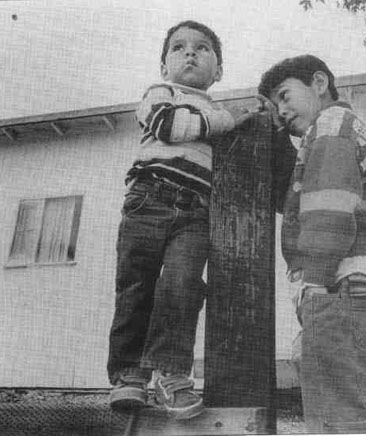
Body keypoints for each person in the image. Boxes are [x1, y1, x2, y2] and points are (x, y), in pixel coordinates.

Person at [106, 20, 255, 420]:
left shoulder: (219, 109)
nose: (190, 53)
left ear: (218, 71)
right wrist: (224, 121)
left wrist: (246, 115)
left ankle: (172, 375)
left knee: (183, 284)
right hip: (147, 199)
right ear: (164, 65)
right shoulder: (161, 93)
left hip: (195, 211)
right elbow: (169, 126)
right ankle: (130, 375)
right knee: (136, 285)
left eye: (203, 48)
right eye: (179, 47)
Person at [258, 54, 366, 434]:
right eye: (275, 105)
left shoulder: (330, 125)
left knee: (351, 416)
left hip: (340, 282)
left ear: (319, 83)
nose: (281, 110)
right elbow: (295, 201)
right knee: (361, 404)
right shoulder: (331, 131)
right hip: (354, 284)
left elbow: (329, 207)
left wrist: (316, 280)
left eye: (285, 95)